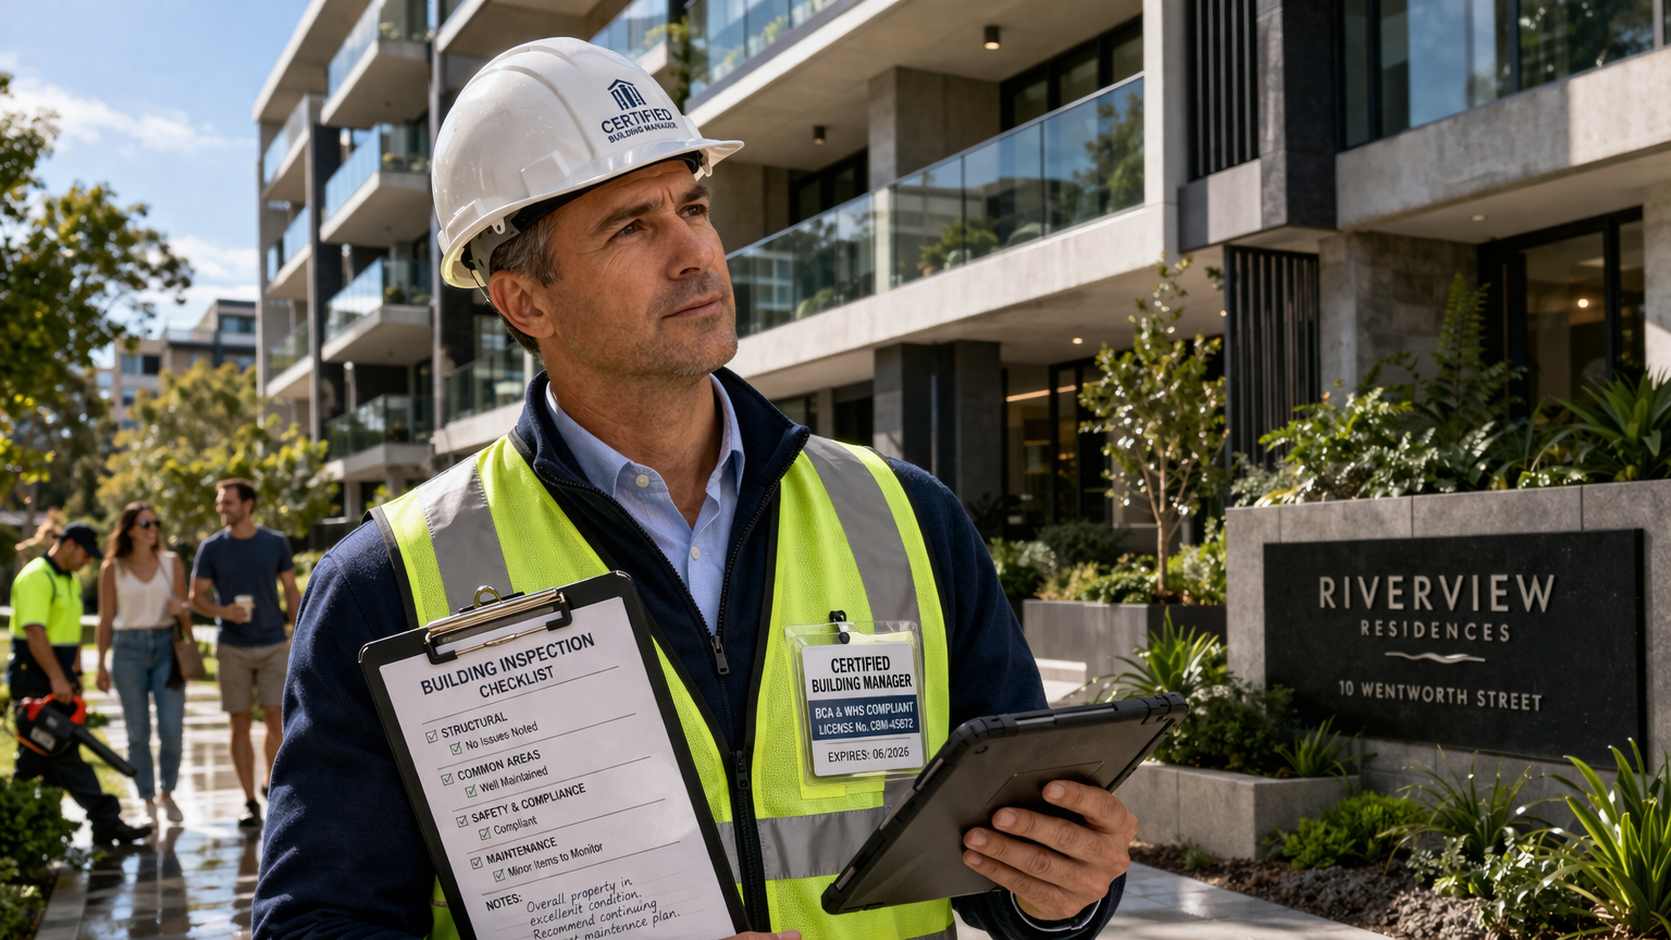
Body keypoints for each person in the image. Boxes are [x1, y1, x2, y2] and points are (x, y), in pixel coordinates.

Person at [254, 39, 1136, 940]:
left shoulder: (909, 516)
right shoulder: (387, 581)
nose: (695, 254)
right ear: (526, 303)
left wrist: (1054, 884)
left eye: (693, 206)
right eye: (631, 227)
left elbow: (1006, 863)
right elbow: (318, 923)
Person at [8, 521, 152, 844]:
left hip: (57, 681)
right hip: (34, 681)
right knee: (61, 751)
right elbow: (35, 632)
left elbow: (70, 633)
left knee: (38, 759)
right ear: (69, 544)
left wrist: (74, 675)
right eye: (86, 554)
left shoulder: (69, 580)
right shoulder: (37, 576)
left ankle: (21, 823)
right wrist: (57, 679)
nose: (88, 561)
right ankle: (105, 819)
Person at [188, 479, 299, 831]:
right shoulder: (211, 548)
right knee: (238, 722)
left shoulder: (275, 543)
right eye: (220, 503)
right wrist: (223, 612)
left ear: (247, 504)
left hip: (271, 644)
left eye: (228, 503)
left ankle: (272, 786)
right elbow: (197, 598)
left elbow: (291, 590)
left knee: (273, 718)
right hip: (232, 646)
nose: (221, 508)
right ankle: (249, 802)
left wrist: (299, 632)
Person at [95, 502, 189, 825]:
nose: (153, 529)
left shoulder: (170, 562)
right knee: (137, 733)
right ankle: (146, 798)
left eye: (156, 523)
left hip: (166, 648)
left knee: (171, 730)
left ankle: (168, 793)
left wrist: (182, 610)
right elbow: (106, 619)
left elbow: (184, 615)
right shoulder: (112, 568)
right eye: (146, 523)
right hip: (127, 651)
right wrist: (100, 664)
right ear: (130, 529)